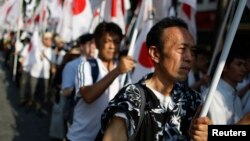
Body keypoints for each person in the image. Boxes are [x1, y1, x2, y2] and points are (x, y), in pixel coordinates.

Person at [96, 17, 211, 141]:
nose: (189, 57)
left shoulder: (193, 100)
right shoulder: (131, 100)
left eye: (192, 51)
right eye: (182, 49)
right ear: (155, 54)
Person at [66, 22, 135, 141]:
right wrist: (117, 71)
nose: (112, 46)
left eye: (116, 42)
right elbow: (88, 96)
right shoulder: (86, 66)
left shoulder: (124, 74)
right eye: (107, 41)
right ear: (97, 44)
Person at [202, 46, 250, 125]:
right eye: (239, 64)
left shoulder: (236, 98)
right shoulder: (213, 96)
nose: (243, 69)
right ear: (224, 67)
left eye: (244, 65)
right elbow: (218, 133)